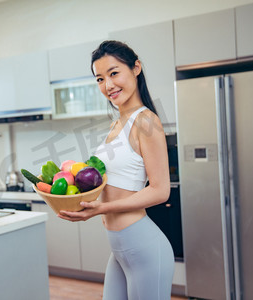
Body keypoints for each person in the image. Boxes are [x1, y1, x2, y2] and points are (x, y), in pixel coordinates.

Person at [58, 40, 175, 300]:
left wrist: (102, 208)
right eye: (100, 79)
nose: (108, 85)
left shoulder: (147, 121)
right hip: (120, 249)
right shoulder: (117, 124)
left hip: (143, 247)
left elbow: (160, 190)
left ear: (136, 68)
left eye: (113, 73)